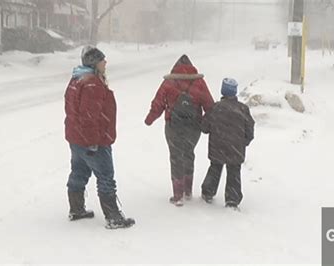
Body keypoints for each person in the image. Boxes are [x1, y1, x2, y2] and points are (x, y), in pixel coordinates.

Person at [64, 45, 135, 229]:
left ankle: (76, 209)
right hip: (93, 140)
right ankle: (113, 217)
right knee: (105, 176)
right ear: (94, 63)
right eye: (103, 60)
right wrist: (93, 142)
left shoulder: (76, 79)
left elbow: (73, 111)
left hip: (76, 139)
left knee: (79, 172)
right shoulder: (92, 83)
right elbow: (89, 115)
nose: (106, 62)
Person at [145, 55, 214, 206]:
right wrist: (205, 123)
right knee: (189, 154)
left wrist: (149, 119)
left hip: (173, 127)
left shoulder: (169, 83)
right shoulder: (199, 82)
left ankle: (178, 196)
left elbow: (158, 103)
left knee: (176, 157)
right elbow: (209, 105)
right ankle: (188, 191)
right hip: (193, 128)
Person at [200, 78, 255, 210]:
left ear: (222, 91)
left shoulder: (215, 108)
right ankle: (232, 199)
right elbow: (250, 129)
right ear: (235, 92)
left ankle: (208, 192)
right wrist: (243, 142)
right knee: (234, 172)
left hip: (217, 147)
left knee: (215, 168)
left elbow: (204, 127)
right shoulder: (243, 109)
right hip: (236, 148)